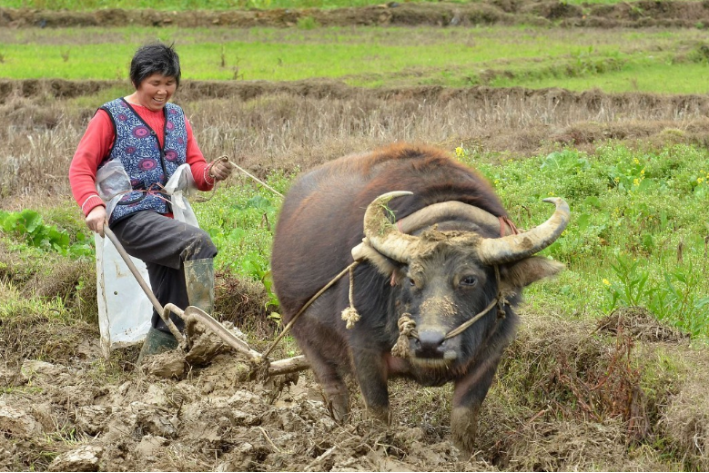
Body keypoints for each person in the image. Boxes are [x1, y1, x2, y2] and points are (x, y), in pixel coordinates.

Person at [69, 42, 234, 362]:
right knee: (197, 243)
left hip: (166, 215)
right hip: (130, 216)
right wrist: (93, 204)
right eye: (155, 83)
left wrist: (211, 171)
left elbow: (196, 170)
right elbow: (81, 167)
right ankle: (205, 336)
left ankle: (153, 367)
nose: (163, 91)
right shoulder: (110, 116)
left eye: (169, 83)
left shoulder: (177, 116)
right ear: (137, 81)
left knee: (170, 296)